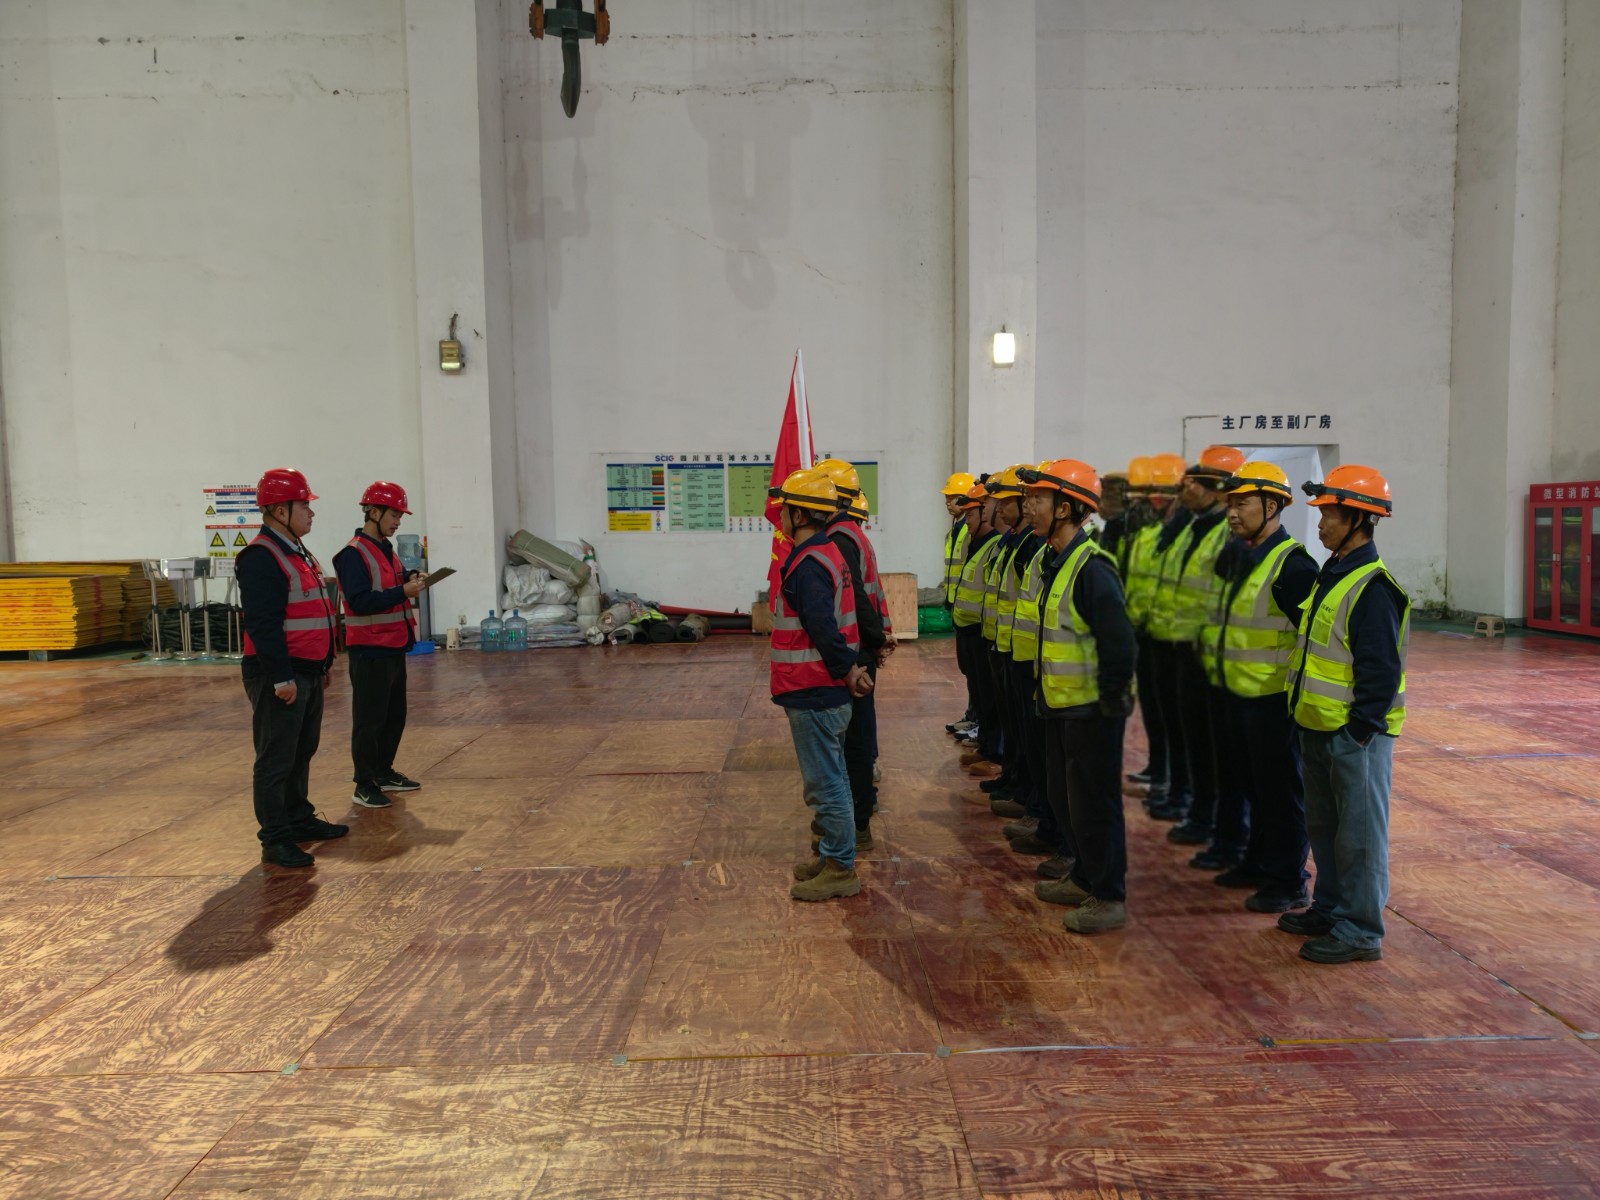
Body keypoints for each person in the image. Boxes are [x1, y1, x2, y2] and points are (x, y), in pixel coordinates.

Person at [1282, 465, 1409, 963]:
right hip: (1318, 725)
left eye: (1329, 515)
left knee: (1359, 836)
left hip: (1355, 737)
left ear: (1358, 518)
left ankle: (1360, 929)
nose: (1320, 524)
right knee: (1325, 827)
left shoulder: (1373, 587)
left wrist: (1359, 732)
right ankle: (1331, 907)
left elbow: (1380, 672)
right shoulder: (1334, 573)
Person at [1019, 459, 1138, 934]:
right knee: (1065, 798)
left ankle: (1108, 896)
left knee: (1094, 805)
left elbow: (1120, 646)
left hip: (1091, 711)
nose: (1028, 507)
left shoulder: (1093, 569)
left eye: (1037, 499)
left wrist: (1108, 707)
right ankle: (1085, 877)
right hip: (1061, 705)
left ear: (1065, 508)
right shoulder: (1058, 561)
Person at [1207, 463, 1319, 913]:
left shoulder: (1293, 565)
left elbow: (1311, 641)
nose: (1232, 513)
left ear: (1272, 506)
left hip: (1273, 701)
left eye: (1243, 503)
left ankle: (1289, 880)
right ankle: (1257, 863)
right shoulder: (1247, 556)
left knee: (1280, 793)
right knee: (1252, 787)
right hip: (1240, 696)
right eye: (1230, 504)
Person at [769, 465, 875, 902]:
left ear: (799, 515)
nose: (780, 517)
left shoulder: (810, 563)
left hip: (814, 688)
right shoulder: (827, 552)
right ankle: (832, 854)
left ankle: (840, 869)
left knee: (826, 785)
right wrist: (850, 670)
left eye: (785, 509)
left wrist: (847, 669)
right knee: (833, 779)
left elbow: (822, 629)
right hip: (821, 687)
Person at [237, 467, 342, 868]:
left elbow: (312, 613)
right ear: (280, 511)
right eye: (304, 505)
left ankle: (298, 818)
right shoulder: (261, 557)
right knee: (276, 758)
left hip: (307, 669)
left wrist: (322, 663)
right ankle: (275, 839)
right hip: (278, 673)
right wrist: (282, 677)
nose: (311, 512)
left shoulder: (297, 552)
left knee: (301, 751)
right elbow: (263, 625)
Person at [1146, 445, 1246, 861]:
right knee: (1185, 735)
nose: (1184, 487)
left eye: (1195, 482)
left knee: (1211, 747)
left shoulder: (1228, 534)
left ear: (1218, 489)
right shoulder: (1191, 527)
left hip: (1207, 654)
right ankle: (1192, 805)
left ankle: (1212, 820)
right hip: (1177, 646)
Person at [333, 482, 430, 810]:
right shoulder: (353, 554)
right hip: (369, 649)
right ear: (373, 512)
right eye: (393, 515)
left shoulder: (385, 549)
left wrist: (410, 577)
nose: (398, 522)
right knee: (369, 719)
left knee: (393, 715)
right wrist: (403, 592)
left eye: (400, 516)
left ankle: (383, 772)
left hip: (393, 644)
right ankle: (364, 783)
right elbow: (360, 601)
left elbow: (390, 582)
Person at [817, 459, 895, 850]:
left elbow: (858, 599)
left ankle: (859, 817)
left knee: (854, 739)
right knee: (857, 734)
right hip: (862, 644)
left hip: (855, 649)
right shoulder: (849, 533)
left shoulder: (840, 539)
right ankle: (859, 807)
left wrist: (874, 641)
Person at [1123, 453, 1187, 816]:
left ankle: (1174, 783)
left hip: (1176, 641)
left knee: (1175, 721)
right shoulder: (1151, 534)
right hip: (1148, 634)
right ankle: (1160, 771)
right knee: (1155, 711)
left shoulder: (1179, 536)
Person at [950, 481, 1001, 755]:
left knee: (988, 694)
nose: (966, 520)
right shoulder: (974, 542)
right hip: (966, 627)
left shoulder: (993, 546)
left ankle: (991, 747)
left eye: (970, 514)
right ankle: (984, 741)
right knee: (977, 689)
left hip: (982, 631)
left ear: (984, 513)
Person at [940, 472, 976, 734]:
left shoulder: (969, 531)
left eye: (952, 498)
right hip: (958, 607)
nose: (947, 503)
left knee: (975, 671)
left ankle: (976, 719)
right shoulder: (956, 530)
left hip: (970, 611)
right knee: (968, 669)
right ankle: (973, 715)